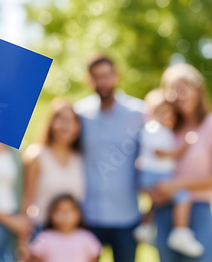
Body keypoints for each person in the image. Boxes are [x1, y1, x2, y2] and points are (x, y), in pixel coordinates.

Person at [74, 55, 145, 262]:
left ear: (117, 76)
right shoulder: (79, 113)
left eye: (106, 76)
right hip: (88, 215)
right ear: (89, 80)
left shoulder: (139, 113)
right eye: (96, 77)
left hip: (127, 215)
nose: (102, 82)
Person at [150, 63, 212, 262]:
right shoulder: (162, 128)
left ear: (198, 90)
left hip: (198, 210)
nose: (179, 94)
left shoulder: (209, 125)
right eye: (173, 89)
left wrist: (176, 185)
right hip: (164, 211)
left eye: (185, 87)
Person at [134, 88, 203, 257]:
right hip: (156, 175)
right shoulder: (154, 128)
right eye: (162, 112)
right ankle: (180, 232)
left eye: (170, 114)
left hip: (155, 174)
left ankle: (145, 227)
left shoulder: (159, 129)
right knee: (183, 197)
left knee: (156, 202)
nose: (168, 117)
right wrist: (182, 149)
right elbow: (159, 152)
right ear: (152, 112)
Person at [22, 99, 84, 239]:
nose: (66, 125)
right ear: (51, 123)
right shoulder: (36, 155)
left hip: (72, 233)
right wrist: (22, 239)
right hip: (40, 231)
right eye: (60, 119)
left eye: (72, 120)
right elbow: (25, 200)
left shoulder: (79, 158)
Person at [28, 194, 101, 262]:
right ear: (51, 214)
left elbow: (93, 259)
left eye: (69, 211)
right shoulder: (44, 238)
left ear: (78, 214)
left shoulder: (87, 237)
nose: (65, 216)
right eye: (60, 211)